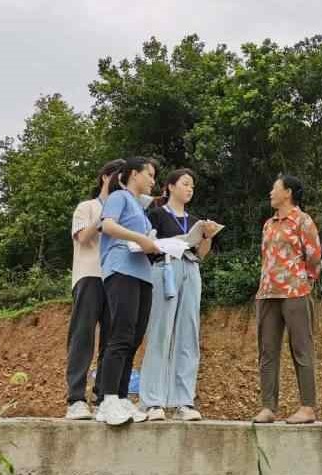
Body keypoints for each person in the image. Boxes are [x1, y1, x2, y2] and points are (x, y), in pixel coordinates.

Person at [139, 169, 219, 422]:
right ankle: (153, 401)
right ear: (171, 186)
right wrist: (174, 240)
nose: (189, 189)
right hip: (165, 268)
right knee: (160, 332)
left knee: (188, 334)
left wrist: (206, 236)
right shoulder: (156, 214)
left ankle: (184, 400)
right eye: (185, 184)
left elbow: (201, 253)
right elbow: (147, 246)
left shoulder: (194, 220)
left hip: (191, 269)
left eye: (192, 186)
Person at [95, 157, 161, 426]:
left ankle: (121, 397)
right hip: (121, 270)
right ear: (134, 174)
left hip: (143, 275)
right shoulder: (119, 197)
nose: (153, 181)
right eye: (150, 175)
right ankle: (107, 399)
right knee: (120, 335)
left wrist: (154, 244)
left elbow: (144, 242)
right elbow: (107, 225)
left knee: (134, 337)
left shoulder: (141, 210)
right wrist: (140, 238)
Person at [253, 174, 322, 424]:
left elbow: (314, 256)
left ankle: (307, 407)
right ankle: (268, 407)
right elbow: (265, 257)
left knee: (301, 349)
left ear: (288, 192)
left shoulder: (303, 221)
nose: (271, 193)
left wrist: (305, 280)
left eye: (275, 188)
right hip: (268, 293)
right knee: (267, 351)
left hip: (295, 292)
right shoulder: (268, 224)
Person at [65, 159, 125, 420]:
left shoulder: (125, 209)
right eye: (120, 177)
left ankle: (103, 399)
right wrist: (105, 217)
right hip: (89, 275)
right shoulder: (87, 207)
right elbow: (82, 237)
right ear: (106, 177)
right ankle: (76, 399)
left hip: (116, 278)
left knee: (111, 341)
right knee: (82, 336)